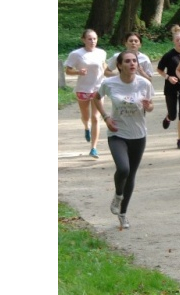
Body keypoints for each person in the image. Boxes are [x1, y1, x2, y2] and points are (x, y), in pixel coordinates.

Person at [92, 49, 154, 230]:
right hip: (117, 133)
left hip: (138, 135)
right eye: (127, 61)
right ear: (119, 65)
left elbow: (149, 107)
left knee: (131, 175)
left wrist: (148, 106)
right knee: (123, 168)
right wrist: (105, 117)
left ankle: (123, 214)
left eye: (134, 61)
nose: (132, 64)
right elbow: (96, 98)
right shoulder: (110, 83)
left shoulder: (144, 83)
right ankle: (118, 195)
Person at [64, 28, 108, 159]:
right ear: (83, 40)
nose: (92, 41)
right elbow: (68, 71)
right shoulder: (76, 54)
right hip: (83, 89)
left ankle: (93, 148)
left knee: (96, 117)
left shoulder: (102, 52)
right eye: (89, 39)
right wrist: (78, 72)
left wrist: (109, 74)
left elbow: (104, 66)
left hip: (98, 88)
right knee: (85, 116)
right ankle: (86, 127)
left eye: (94, 38)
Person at [156, 25, 180, 150]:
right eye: (177, 40)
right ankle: (168, 117)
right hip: (170, 87)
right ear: (174, 42)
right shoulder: (169, 55)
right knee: (173, 115)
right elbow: (159, 69)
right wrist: (168, 77)